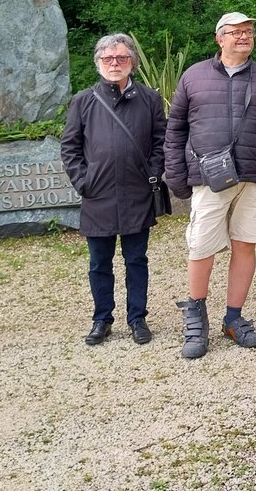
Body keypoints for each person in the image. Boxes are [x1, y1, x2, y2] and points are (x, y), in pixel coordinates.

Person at [163, 12, 256, 357]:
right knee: (201, 248)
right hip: (209, 179)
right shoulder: (194, 76)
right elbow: (175, 130)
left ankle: (233, 317)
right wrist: (176, 176)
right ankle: (196, 317)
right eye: (236, 32)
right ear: (219, 38)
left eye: (248, 31)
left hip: (254, 178)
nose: (244, 36)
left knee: (245, 246)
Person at [61, 33, 167, 347]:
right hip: (98, 196)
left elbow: (161, 142)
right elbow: (70, 147)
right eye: (108, 58)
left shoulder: (149, 99)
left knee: (136, 260)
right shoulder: (84, 100)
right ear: (99, 62)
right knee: (99, 263)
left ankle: (137, 318)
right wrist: (83, 181)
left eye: (121, 57)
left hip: (137, 194)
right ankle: (102, 319)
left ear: (132, 61)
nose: (115, 63)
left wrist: (152, 173)